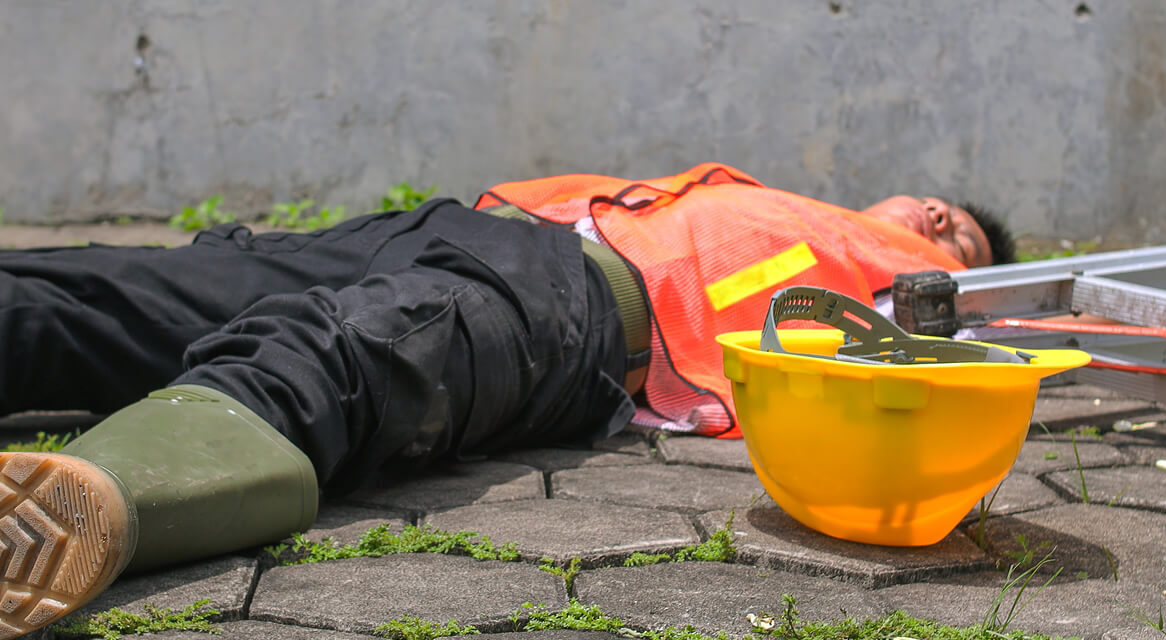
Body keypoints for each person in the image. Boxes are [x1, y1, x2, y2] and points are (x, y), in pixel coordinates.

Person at [0, 162, 1012, 638]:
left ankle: (100, 497)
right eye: (939, 206)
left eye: (957, 235)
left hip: (575, 305)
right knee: (123, 291)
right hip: (457, 227)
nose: (937, 217)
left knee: (358, 348)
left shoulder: (903, 294)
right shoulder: (760, 196)